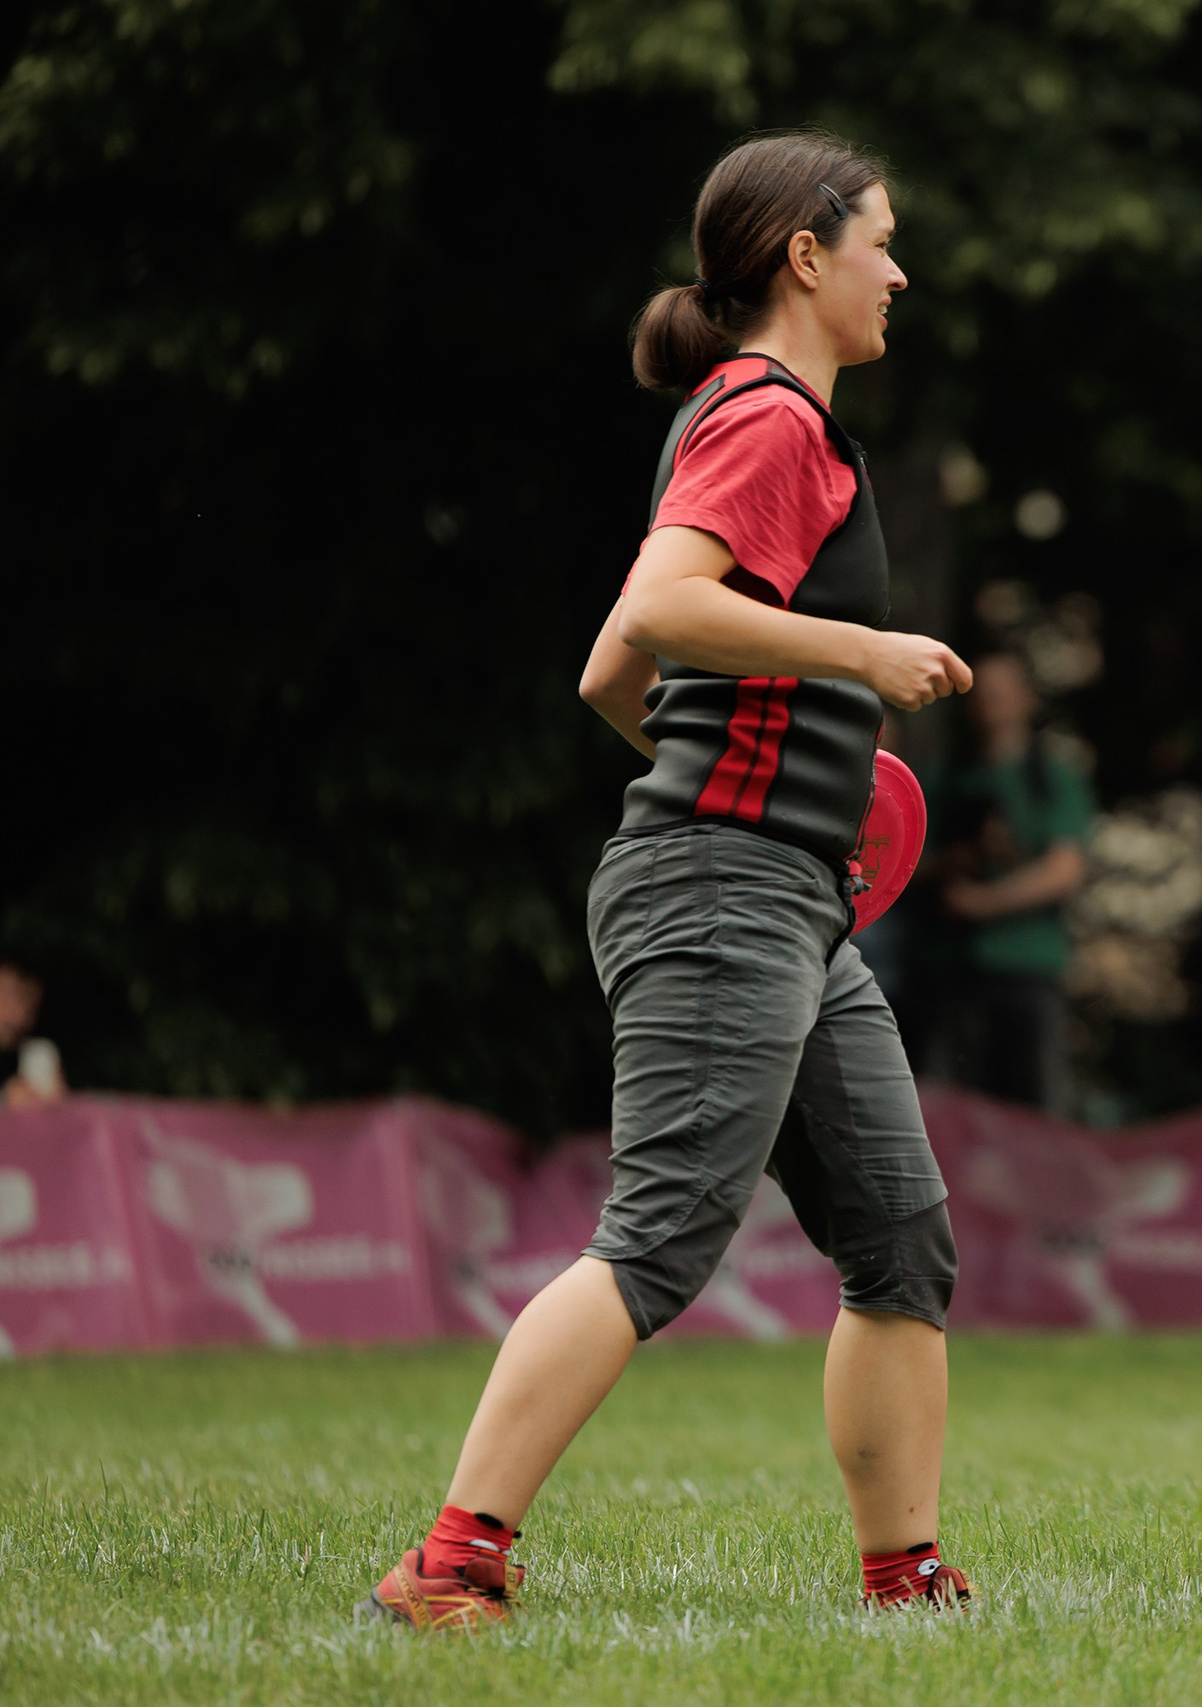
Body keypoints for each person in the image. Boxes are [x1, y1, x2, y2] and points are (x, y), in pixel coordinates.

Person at [362, 132, 976, 1632]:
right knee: (660, 1233)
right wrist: (862, 656)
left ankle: (905, 1579)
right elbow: (661, 609)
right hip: (720, 889)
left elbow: (608, 678)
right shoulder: (767, 417)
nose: (900, 272)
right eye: (881, 241)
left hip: (785, 890)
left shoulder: (761, 422)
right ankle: (450, 1562)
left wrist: (785, 779)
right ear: (805, 258)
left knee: (898, 1236)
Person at [917, 651, 1092, 1114]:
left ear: (1026, 699)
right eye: (982, 693)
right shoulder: (945, 777)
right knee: (949, 1108)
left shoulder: (1052, 777)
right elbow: (910, 861)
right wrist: (960, 860)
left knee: (1032, 1110)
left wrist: (981, 902)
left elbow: (1064, 870)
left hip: (1028, 967)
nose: (990, 703)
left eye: (1001, 692)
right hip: (952, 967)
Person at [0, 963, 66, 1107]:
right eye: (6, 998)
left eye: (30, 1009)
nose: (20, 1016)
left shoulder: (34, 1054)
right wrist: (6, 1099)